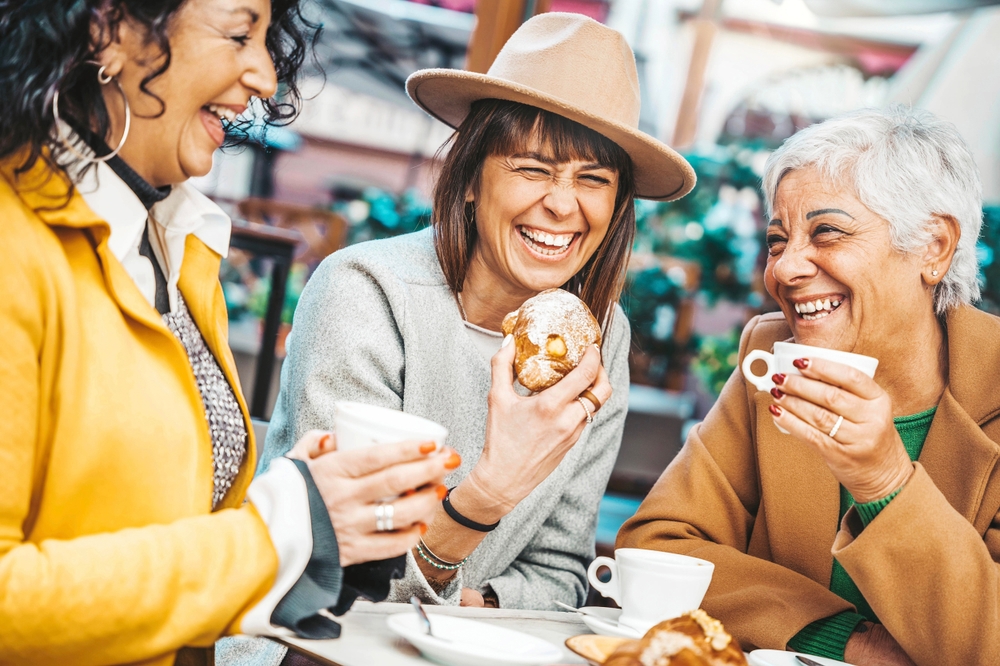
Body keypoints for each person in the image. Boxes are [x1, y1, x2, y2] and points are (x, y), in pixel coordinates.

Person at [0, 2, 452, 664]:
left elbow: (168, 539)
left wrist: (316, 517)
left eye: (270, 42)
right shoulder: (15, 244)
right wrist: (283, 526)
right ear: (108, 31)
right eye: (241, 34)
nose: (267, 77)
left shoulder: (176, 245)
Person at [263, 10, 695, 614]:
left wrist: (463, 607)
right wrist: (488, 493)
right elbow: (331, 574)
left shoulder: (600, 335)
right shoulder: (366, 291)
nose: (562, 204)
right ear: (470, 178)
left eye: (592, 179)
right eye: (532, 168)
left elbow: (558, 570)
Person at [618, 105, 999, 666]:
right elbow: (655, 550)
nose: (785, 269)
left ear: (933, 247)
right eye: (777, 241)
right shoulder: (771, 358)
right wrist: (844, 641)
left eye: (827, 232)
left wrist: (886, 481)